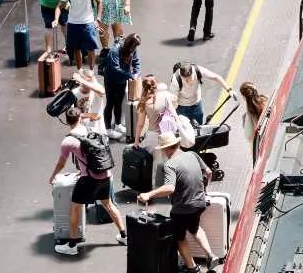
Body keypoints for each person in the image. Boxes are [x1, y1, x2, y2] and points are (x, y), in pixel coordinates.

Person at [49, 105, 128, 255]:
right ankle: (124, 236)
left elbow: (61, 163)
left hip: (89, 179)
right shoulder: (91, 131)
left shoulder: (68, 141)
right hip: (106, 175)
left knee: (75, 207)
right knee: (108, 204)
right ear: (80, 118)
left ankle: (71, 246)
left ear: (67, 121)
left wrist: (53, 176)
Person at [136, 132, 219, 271]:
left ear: (166, 148)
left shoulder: (170, 165)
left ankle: (192, 268)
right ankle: (210, 255)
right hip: (199, 203)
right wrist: (205, 190)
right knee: (194, 228)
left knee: (179, 238)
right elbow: (209, 172)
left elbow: (169, 188)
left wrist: (148, 195)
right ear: (178, 144)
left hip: (182, 208)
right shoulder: (193, 154)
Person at [99, 32, 142, 141]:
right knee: (110, 104)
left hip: (122, 81)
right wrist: (129, 75)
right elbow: (115, 68)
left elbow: (136, 62)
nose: (135, 49)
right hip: (111, 80)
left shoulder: (132, 50)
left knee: (118, 102)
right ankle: (108, 129)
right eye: (134, 46)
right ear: (129, 45)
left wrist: (136, 73)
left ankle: (118, 124)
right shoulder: (115, 51)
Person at [58, 0, 102, 69]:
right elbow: (60, 5)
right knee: (76, 49)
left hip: (88, 23)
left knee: (91, 48)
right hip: (73, 23)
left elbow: (99, 1)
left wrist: (98, 18)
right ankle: (80, 71)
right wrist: (56, 19)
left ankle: (91, 71)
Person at [171, 61, 231, 127]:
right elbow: (173, 101)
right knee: (183, 129)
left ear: (192, 73)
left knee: (199, 127)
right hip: (181, 107)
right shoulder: (176, 80)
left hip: (196, 104)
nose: (187, 82)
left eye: (189, 78)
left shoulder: (198, 70)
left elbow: (216, 77)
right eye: (185, 79)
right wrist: (175, 117)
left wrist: (229, 90)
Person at [239, 82, 268, 164]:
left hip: (260, 145)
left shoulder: (248, 115)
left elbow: (248, 135)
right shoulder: (266, 99)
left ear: (244, 97)